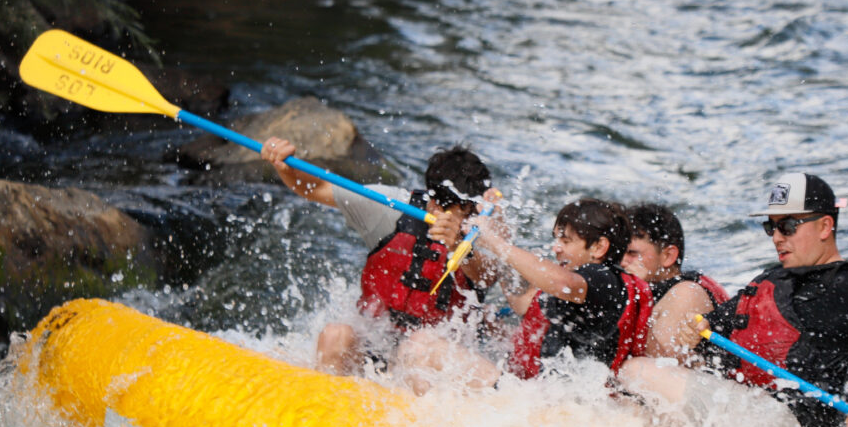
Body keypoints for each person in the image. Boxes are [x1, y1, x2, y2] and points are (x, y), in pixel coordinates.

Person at [619, 173, 848, 427]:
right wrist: (695, 331)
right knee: (638, 392)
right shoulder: (772, 279)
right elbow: (714, 334)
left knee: (638, 372)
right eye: (770, 227)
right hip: (762, 413)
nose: (776, 237)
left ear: (825, 226)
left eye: (787, 226)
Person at [260, 137, 497, 374]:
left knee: (416, 347)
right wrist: (285, 166)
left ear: (471, 207)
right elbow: (316, 189)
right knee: (334, 335)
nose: (441, 211)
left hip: (434, 357)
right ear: (431, 197)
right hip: (377, 343)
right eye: (438, 202)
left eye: (462, 209)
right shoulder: (390, 206)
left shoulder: (485, 231)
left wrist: (459, 246)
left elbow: (488, 276)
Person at [395, 197, 653, 393]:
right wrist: (485, 240)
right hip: (535, 397)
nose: (556, 248)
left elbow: (562, 282)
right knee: (426, 343)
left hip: (545, 404)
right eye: (556, 239)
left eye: (565, 241)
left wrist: (495, 241)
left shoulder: (603, 279)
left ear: (598, 247)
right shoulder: (579, 285)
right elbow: (521, 300)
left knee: (420, 345)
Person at [622, 203, 730, 360]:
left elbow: (663, 367)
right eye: (619, 252)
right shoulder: (655, 289)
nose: (623, 261)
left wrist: (633, 294)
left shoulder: (686, 293)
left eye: (632, 253)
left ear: (668, 256)